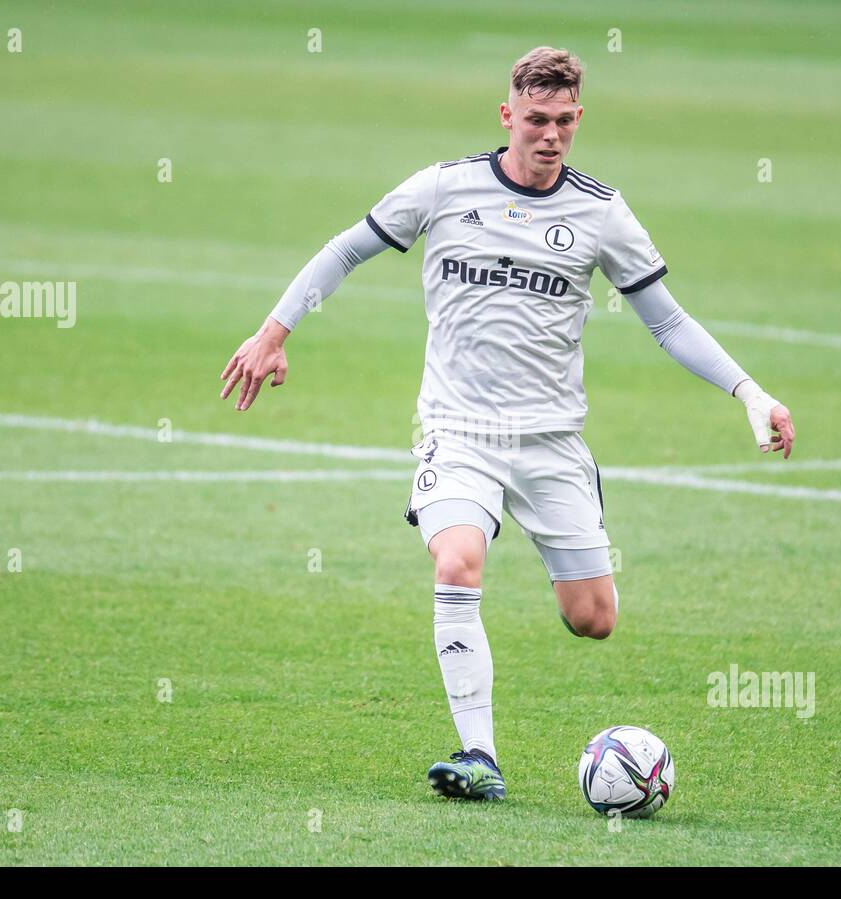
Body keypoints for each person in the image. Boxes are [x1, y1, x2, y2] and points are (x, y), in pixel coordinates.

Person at [220, 47, 796, 802]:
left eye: (563, 121)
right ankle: (478, 756)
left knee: (593, 620)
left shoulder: (600, 212)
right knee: (457, 561)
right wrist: (274, 332)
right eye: (534, 120)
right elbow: (346, 248)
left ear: (578, 118)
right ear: (507, 115)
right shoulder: (444, 187)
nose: (549, 136)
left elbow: (667, 321)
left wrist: (750, 393)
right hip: (457, 432)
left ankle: (580, 513)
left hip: (553, 443)